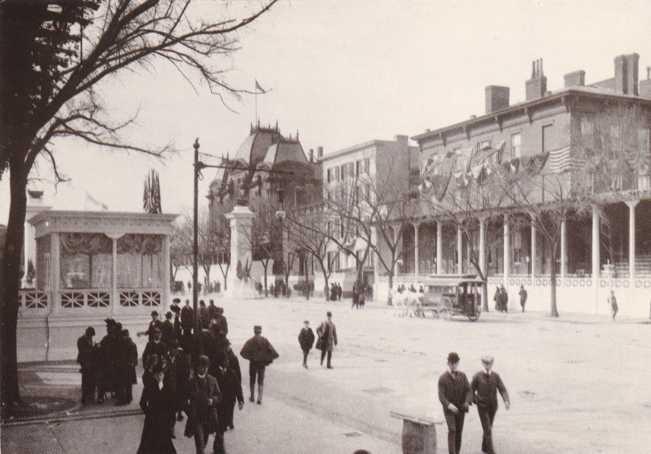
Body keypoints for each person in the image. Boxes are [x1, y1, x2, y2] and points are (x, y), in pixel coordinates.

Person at [471, 355, 510, 454]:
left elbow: (502, 389)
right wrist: (476, 400)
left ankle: (484, 448)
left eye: (489, 363)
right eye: (485, 363)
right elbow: (470, 391)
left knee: (488, 427)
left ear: (492, 364)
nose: (487, 365)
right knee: (487, 429)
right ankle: (491, 452)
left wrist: (506, 401)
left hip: (493, 407)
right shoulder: (477, 376)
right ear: (482, 363)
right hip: (482, 407)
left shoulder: (496, 376)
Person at [185, 355, 224, 454]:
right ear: (197, 367)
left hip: (209, 417)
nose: (203, 369)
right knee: (200, 444)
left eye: (205, 367)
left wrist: (212, 400)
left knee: (204, 441)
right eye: (201, 366)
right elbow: (184, 400)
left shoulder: (213, 380)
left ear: (208, 367)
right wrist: (190, 411)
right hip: (196, 417)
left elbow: (219, 396)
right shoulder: (191, 382)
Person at [137, 362, 177, 454]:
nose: (159, 377)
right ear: (154, 375)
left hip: (164, 421)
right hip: (151, 422)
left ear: (163, 375)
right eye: (157, 375)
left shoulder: (168, 387)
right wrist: (149, 413)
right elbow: (142, 403)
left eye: (161, 374)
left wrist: (170, 419)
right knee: (148, 445)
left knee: (165, 445)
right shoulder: (149, 387)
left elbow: (172, 405)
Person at [438, 352, 473, 454]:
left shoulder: (463, 376)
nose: (453, 365)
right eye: (451, 363)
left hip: (461, 408)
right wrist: (449, 405)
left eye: (455, 363)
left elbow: (469, 390)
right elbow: (441, 396)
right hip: (449, 410)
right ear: (447, 363)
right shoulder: (442, 378)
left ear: (458, 363)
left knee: (459, 432)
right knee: (452, 430)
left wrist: (467, 401)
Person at [240, 325, 279, 404]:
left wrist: (250, 357)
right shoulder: (265, 340)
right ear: (260, 331)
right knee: (260, 381)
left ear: (254, 331)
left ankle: (252, 397)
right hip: (262, 364)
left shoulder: (250, 341)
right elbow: (274, 353)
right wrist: (267, 359)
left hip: (253, 364)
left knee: (252, 380)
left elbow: (242, 352)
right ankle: (260, 398)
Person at [217, 345, 244, 431]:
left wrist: (240, 400)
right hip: (220, 401)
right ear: (221, 362)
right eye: (226, 361)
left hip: (230, 399)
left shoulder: (232, 373)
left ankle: (228, 422)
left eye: (227, 360)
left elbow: (237, 387)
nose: (227, 362)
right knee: (221, 424)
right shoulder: (215, 373)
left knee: (227, 417)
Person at [116, 329, 138, 405]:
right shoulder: (131, 343)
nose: (122, 337)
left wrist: (130, 363)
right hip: (129, 367)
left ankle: (123, 400)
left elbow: (132, 356)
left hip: (126, 367)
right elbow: (135, 357)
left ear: (126, 336)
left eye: (123, 336)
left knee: (123, 384)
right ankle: (129, 398)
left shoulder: (128, 344)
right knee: (128, 384)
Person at [77, 326, 96, 404]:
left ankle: (90, 396)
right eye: (91, 335)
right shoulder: (81, 340)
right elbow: (83, 351)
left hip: (90, 363)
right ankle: (84, 397)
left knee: (91, 380)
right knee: (85, 381)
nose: (91, 337)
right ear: (88, 333)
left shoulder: (89, 339)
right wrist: (92, 349)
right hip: (85, 362)